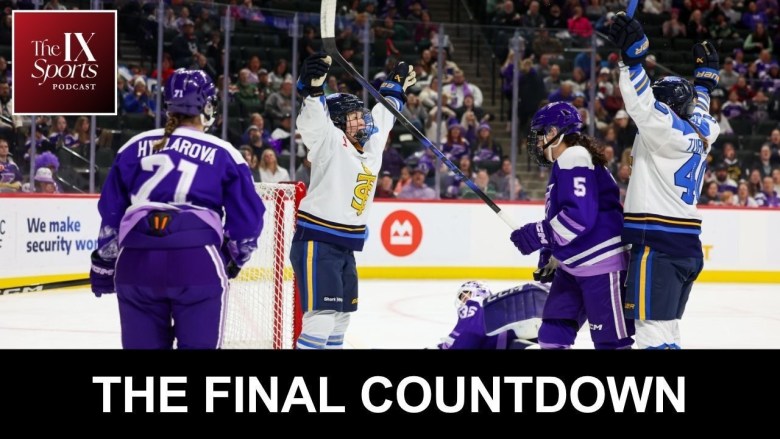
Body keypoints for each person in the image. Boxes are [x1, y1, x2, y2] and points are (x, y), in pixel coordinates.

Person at [89, 69, 265, 349]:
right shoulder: (224, 152)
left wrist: (103, 268)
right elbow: (247, 223)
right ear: (208, 106)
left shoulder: (132, 147)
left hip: (136, 262)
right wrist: (233, 260)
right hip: (195, 260)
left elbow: (111, 216)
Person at [608, 14, 721, 349]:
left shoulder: (665, 131)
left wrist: (632, 61)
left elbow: (641, 105)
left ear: (668, 108)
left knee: (651, 336)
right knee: (667, 333)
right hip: (686, 247)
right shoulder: (703, 129)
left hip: (659, 246)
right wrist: (704, 85)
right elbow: (699, 106)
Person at [292, 52, 416, 349]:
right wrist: (312, 90)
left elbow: (384, 116)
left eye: (362, 113)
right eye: (354, 115)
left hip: (345, 247)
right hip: (318, 242)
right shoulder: (329, 141)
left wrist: (394, 89)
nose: (363, 119)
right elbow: (313, 122)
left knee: (340, 319)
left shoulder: (370, 149)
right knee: (321, 318)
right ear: (337, 121)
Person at [509, 101, 634, 350]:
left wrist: (537, 234)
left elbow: (579, 216)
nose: (537, 143)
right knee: (552, 335)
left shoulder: (574, 156)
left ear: (554, 132)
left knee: (611, 344)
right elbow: (564, 216)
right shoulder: (569, 161)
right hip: (572, 267)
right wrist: (551, 252)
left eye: (540, 134)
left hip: (601, 263)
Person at [437, 280, 549, 350]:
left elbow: (467, 336)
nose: (465, 299)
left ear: (480, 292)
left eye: (467, 294)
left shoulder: (474, 304)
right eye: (462, 298)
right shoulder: (499, 306)